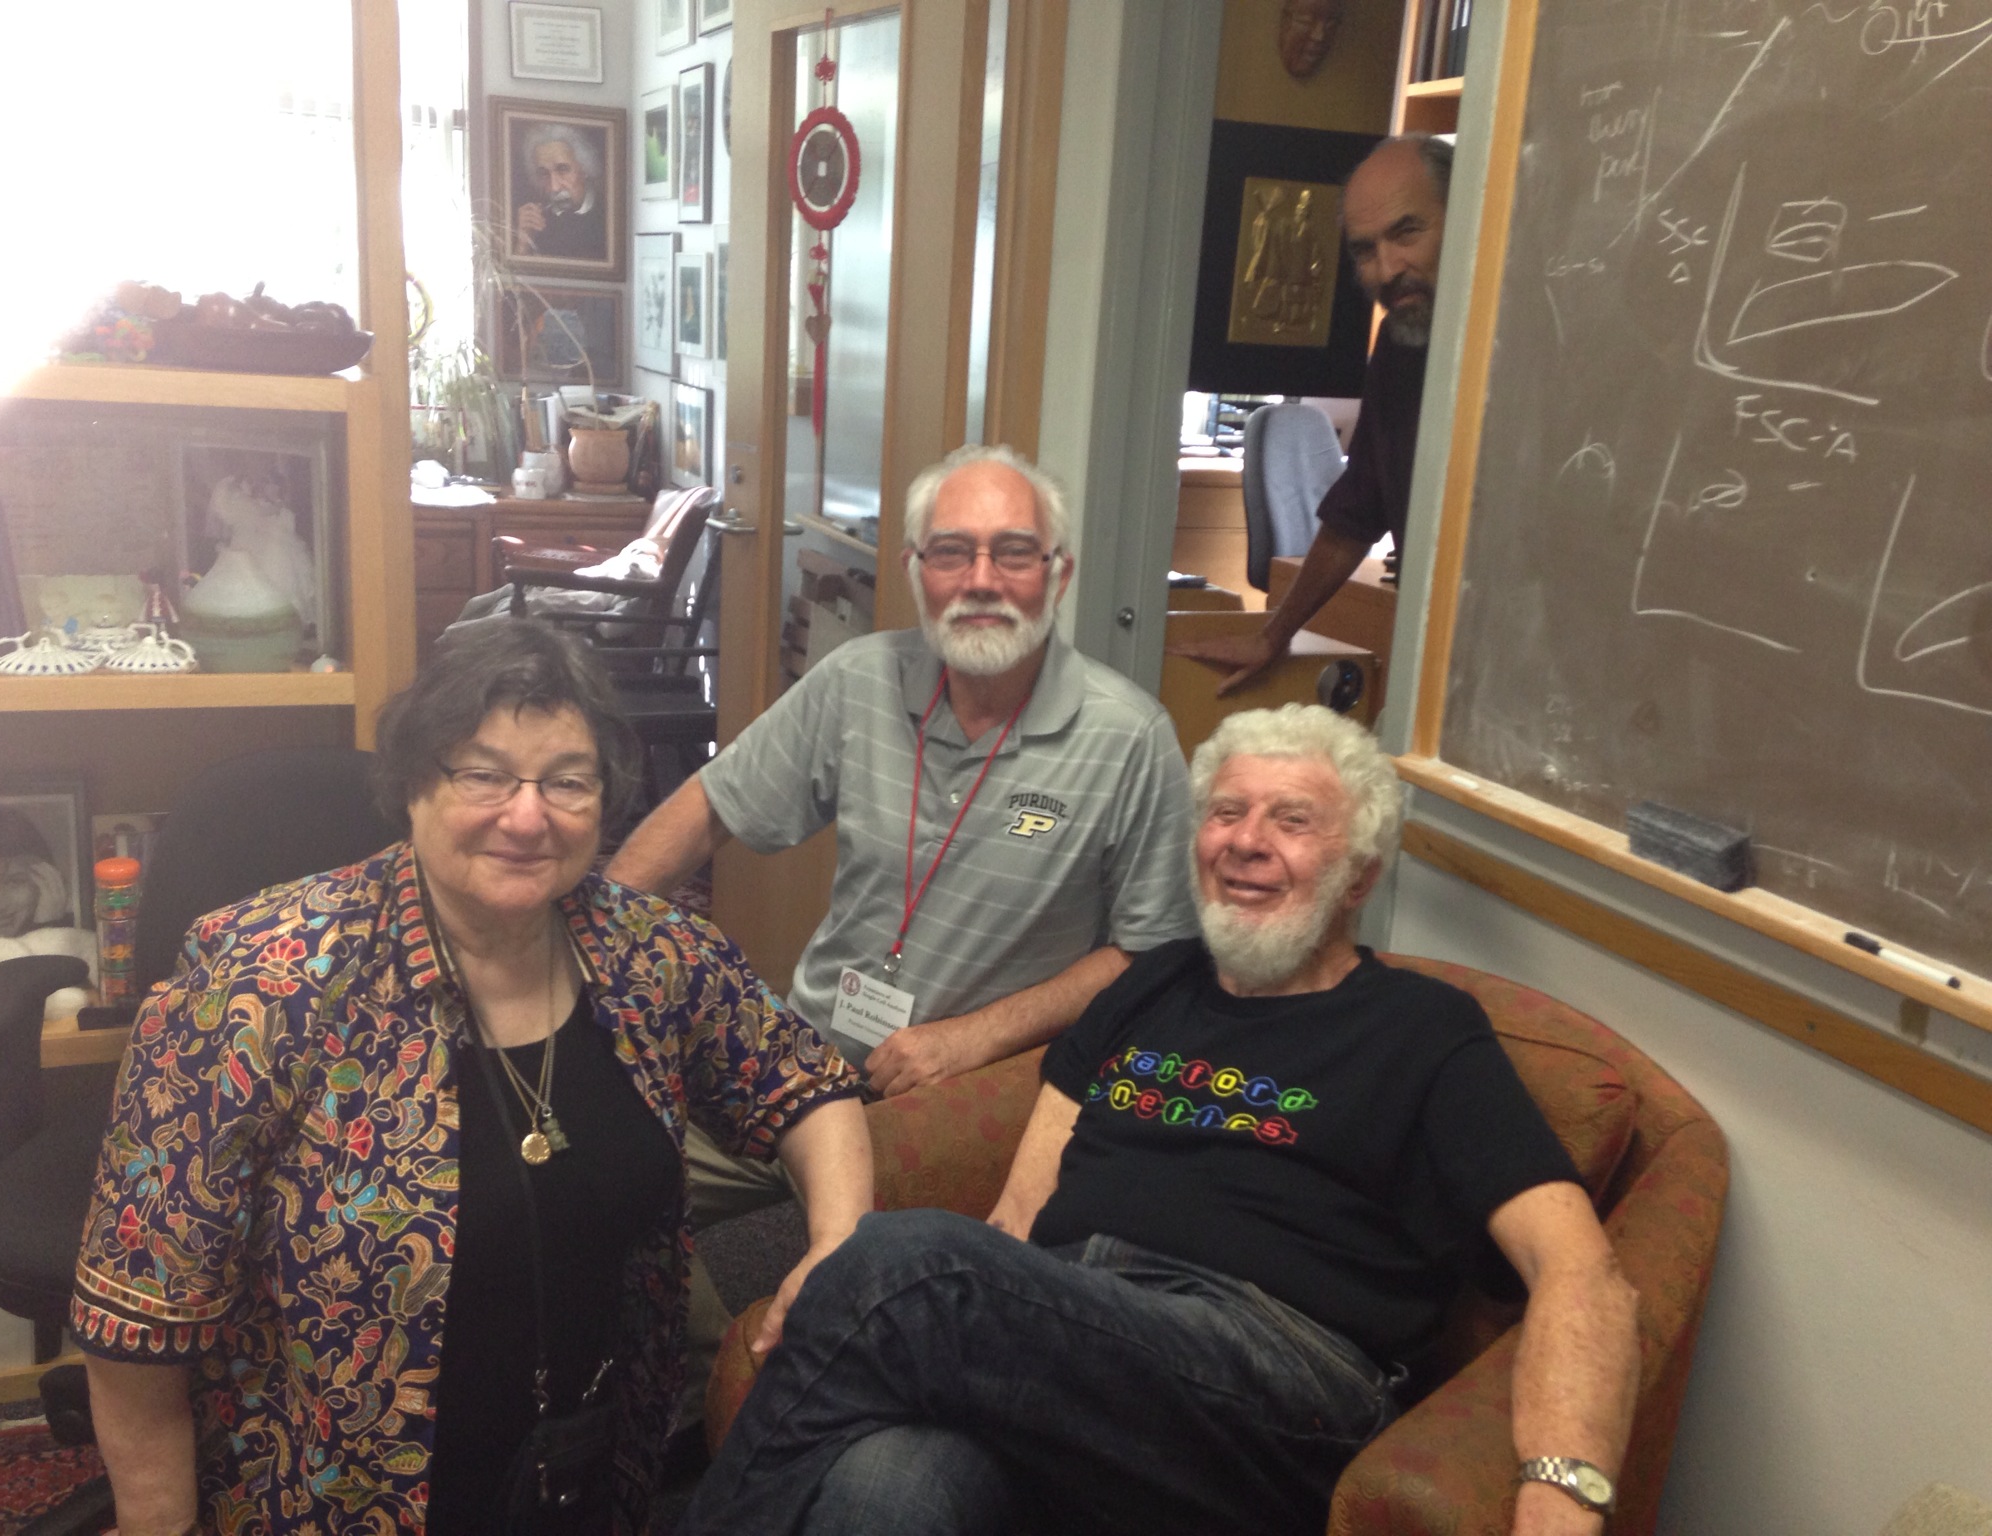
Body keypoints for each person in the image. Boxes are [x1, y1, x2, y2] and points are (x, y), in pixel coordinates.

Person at [683, 703, 1642, 1536]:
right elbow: (1019, 1217)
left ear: (1358, 875)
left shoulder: (1424, 1030)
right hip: (1081, 1331)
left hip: (1276, 1372)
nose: (1246, 840)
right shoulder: (1150, 987)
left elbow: (1580, 1271)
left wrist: (1561, 1492)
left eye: (1292, 820)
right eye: (1226, 812)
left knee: (900, 1262)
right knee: (891, 1486)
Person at [73, 621, 872, 1536]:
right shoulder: (261, 984)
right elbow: (138, 1317)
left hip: (590, 1467)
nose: (527, 817)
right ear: (414, 784)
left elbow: (804, 1082)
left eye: (566, 781)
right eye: (484, 776)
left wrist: (836, 1243)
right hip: (336, 1494)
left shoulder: (650, 951)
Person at [607, 443, 1198, 1381]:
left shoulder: (1130, 739)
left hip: (964, 1094)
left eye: (1013, 552)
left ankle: (768, 1380)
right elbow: (709, 806)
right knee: (598, 1168)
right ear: (916, 571)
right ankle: (715, 1361)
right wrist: (588, 940)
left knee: (876, 1322)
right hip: (802, 1057)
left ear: (1059, 574)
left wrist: (970, 1039)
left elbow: (1151, 955)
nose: (981, 580)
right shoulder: (859, 680)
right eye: (952, 551)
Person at [1173, 133, 1452, 695]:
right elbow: (1356, 515)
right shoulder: (1400, 348)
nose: (1387, 269)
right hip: (1435, 662)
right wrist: (1273, 634)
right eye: (1365, 251)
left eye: (1407, 232)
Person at [517, 123, 607, 261]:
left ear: (584, 169)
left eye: (563, 169)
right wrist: (524, 243)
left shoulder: (607, 215)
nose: (554, 187)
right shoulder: (537, 222)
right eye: (544, 174)